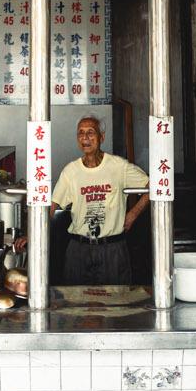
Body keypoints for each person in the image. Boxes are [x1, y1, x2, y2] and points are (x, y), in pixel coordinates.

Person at [50, 115, 149, 286]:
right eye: (81, 133)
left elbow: (153, 185)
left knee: (115, 304)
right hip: (79, 249)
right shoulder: (70, 171)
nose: (85, 138)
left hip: (112, 249)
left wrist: (133, 213)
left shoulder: (118, 166)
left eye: (90, 132)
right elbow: (52, 206)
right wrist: (33, 233)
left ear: (101, 137)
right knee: (76, 305)